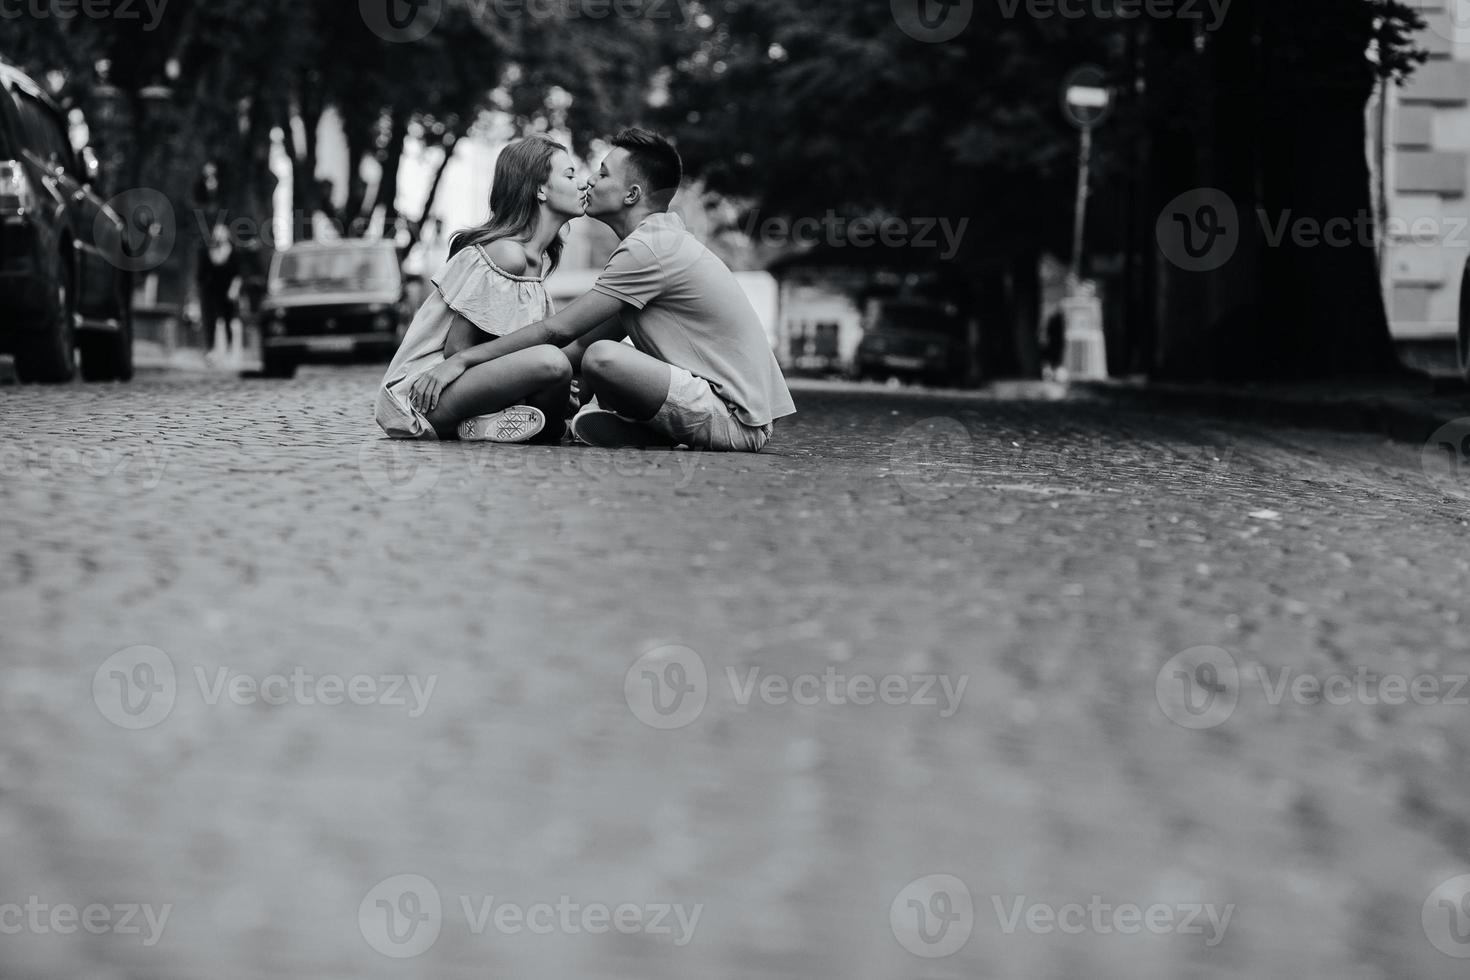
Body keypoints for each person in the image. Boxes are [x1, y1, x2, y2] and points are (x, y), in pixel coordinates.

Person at [407, 128, 795, 452]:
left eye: (603, 174)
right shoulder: (656, 243)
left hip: (736, 418)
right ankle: (638, 431)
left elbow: (559, 332)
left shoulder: (648, 249)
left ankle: (645, 431)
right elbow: (572, 350)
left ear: (632, 195)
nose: (590, 180)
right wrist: (547, 386)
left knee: (605, 358)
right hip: (735, 413)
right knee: (589, 358)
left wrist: (461, 362)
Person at [375, 135, 589, 443]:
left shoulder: (533, 260)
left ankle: (502, 423)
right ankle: (511, 423)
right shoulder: (506, 253)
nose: (582, 184)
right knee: (553, 363)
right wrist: (536, 369)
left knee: (566, 367)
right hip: (425, 395)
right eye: (569, 175)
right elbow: (456, 351)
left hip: (465, 386)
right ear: (540, 189)